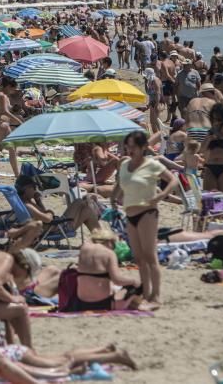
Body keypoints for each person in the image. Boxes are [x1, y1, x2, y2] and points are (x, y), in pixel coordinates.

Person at [112, 130, 180, 308]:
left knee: (150, 256)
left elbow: (172, 180)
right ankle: (146, 293)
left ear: (143, 148)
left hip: (147, 213)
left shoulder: (152, 164)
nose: (130, 150)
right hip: (130, 214)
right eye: (127, 146)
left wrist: (162, 195)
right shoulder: (125, 164)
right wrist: (113, 198)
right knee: (139, 258)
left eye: (133, 147)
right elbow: (120, 183)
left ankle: (156, 296)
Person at [69, 225, 142, 312]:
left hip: (81, 303)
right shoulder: (109, 253)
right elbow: (117, 280)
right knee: (137, 286)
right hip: (102, 304)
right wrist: (134, 281)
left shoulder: (84, 249)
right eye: (114, 245)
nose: (114, 248)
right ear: (109, 241)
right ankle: (137, 304)